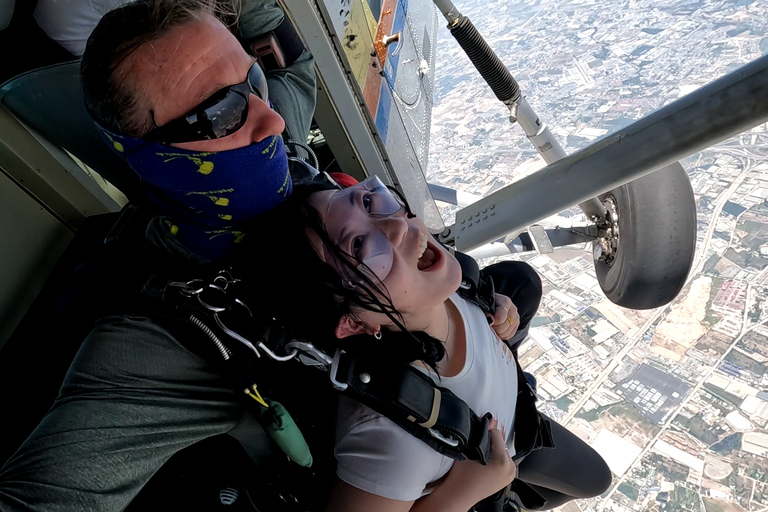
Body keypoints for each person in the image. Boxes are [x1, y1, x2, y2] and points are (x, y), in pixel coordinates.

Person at [0, 0, 321, 510]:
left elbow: (295, 71)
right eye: (221, 112)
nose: (274, 123)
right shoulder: (153, 344)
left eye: (253, 80)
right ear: (149, 154)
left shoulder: (289, 152)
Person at [239, 174, 614, 511]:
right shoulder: (392, 441)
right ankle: (513, 495)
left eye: (369, 201)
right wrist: (464, 493)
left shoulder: (439, 284)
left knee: (520, 281)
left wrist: (493, 309)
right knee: (594, 479)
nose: (396, 225)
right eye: (359, 248)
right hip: (486, 453)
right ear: (354, 323)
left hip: (506, 404)